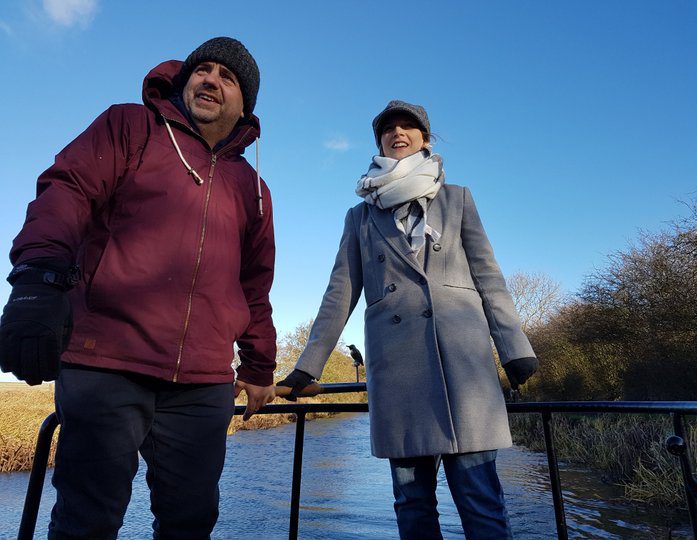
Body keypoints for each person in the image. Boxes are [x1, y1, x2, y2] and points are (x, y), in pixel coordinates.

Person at [0, 37, 277, 539]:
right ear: (186, 79)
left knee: (191, 522)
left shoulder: (254, 189)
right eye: (203, 70)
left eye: (227, 77)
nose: (211, 79)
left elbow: (254, 286)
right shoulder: (130, 126)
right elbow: (68, 190)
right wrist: (37, 279)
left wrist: (259, 367)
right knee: (88, 521)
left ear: (245, 105)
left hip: (202, 382)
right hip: (106, 360)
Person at [278, 100, 538, 539]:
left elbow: (489, 277)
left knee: (481, 501)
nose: (398, 133)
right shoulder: (359, 216)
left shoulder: (458, 200)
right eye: (388, 129)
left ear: (425, 139)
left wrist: (514, 347)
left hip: (463, 369)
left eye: (408, 127)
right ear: (379, 141)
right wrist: (308, 365)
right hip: (398, 371)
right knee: (412, 504)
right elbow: (340, 293)